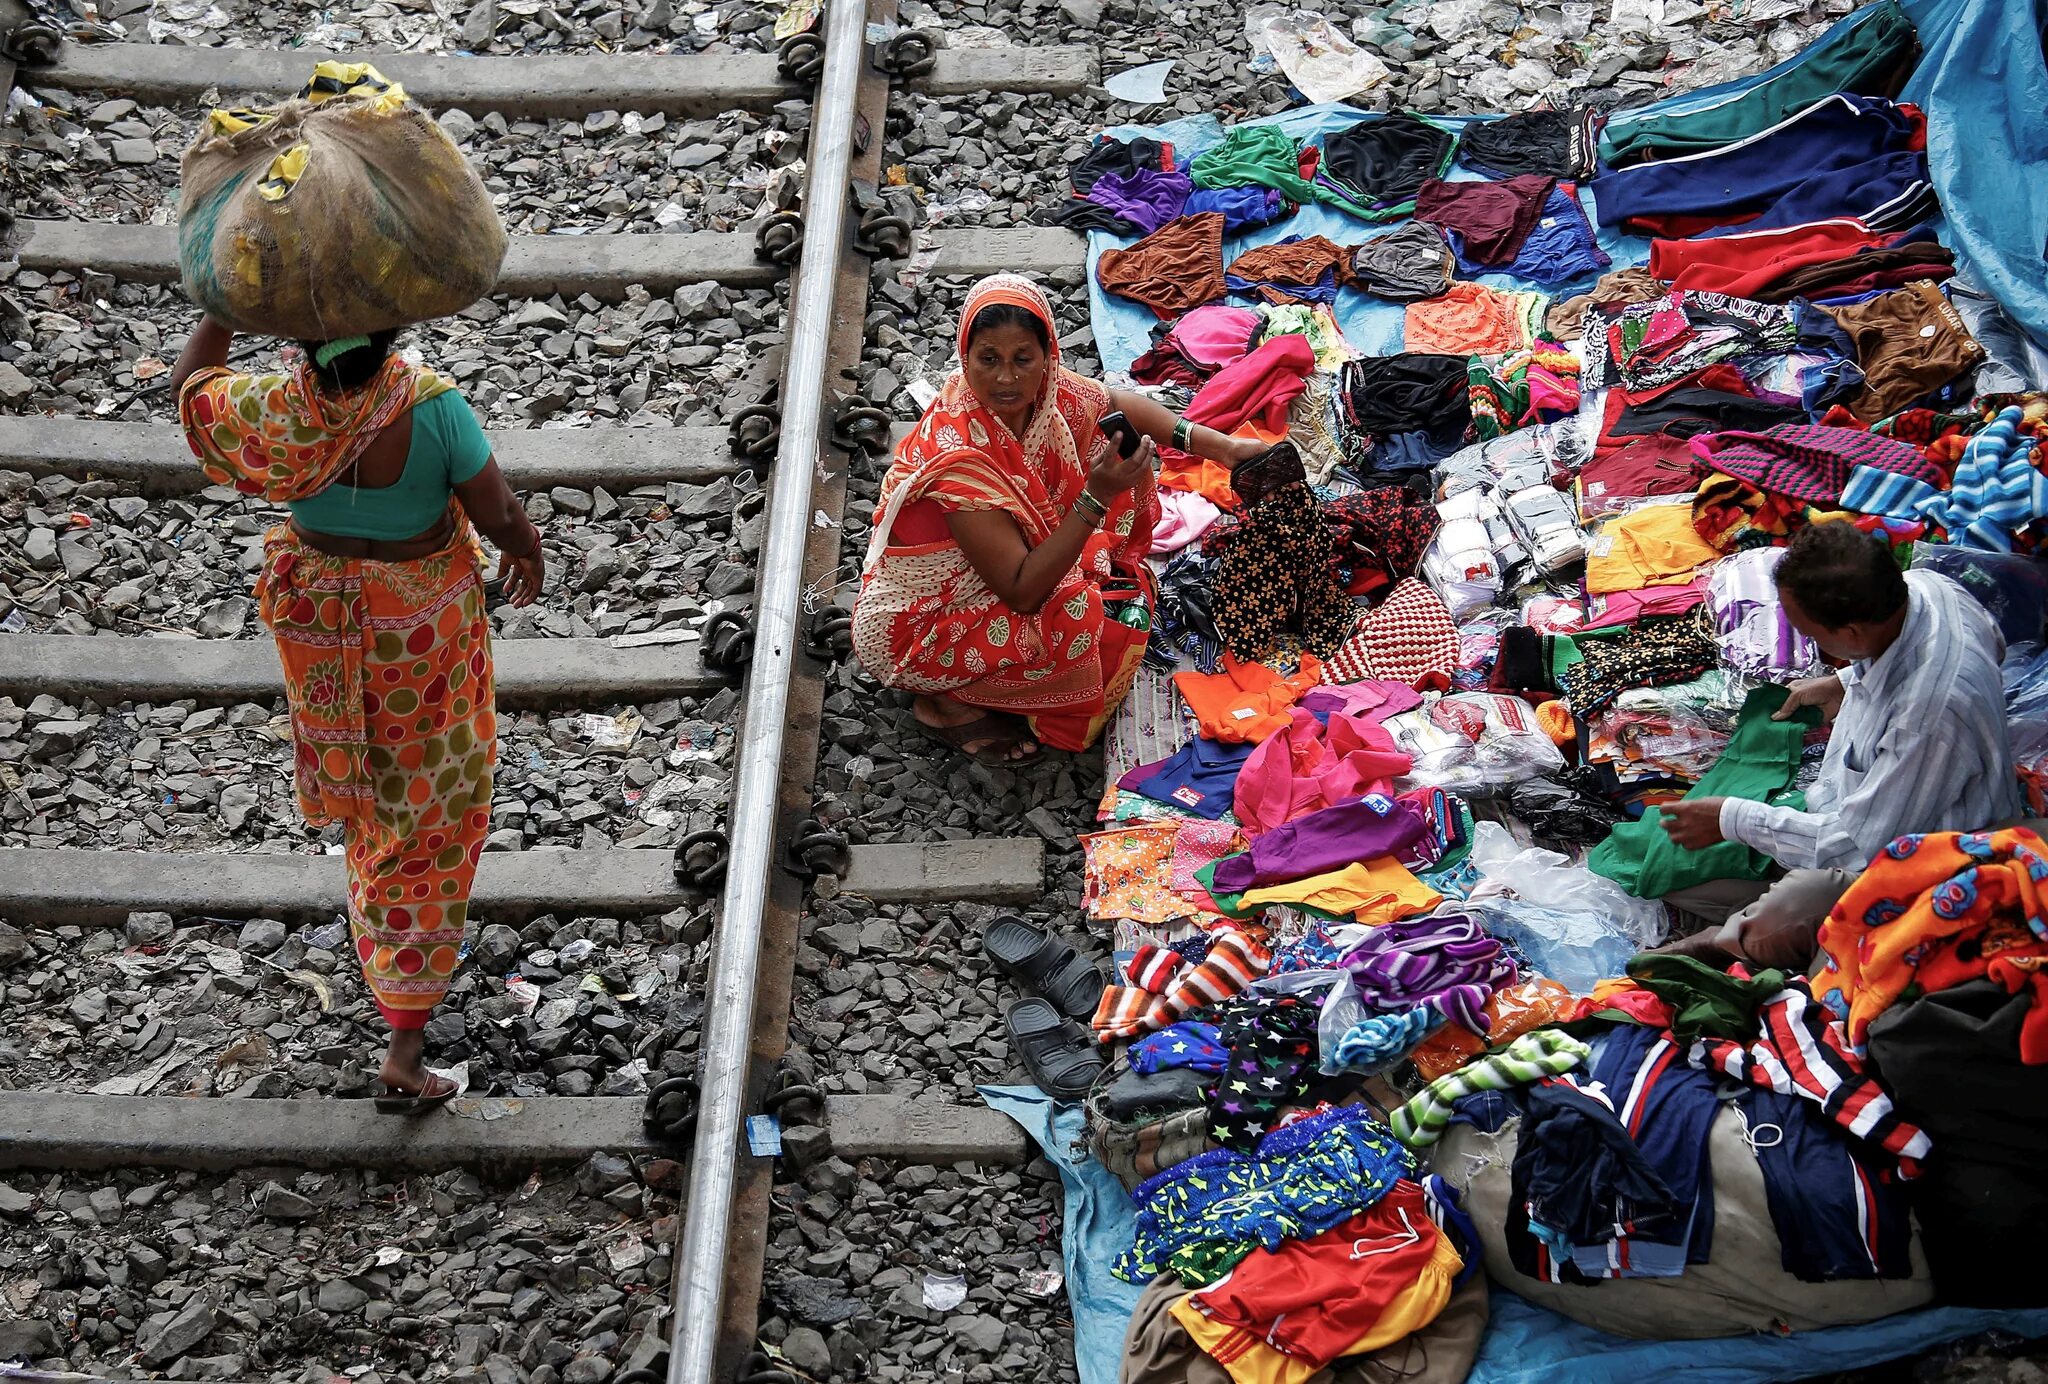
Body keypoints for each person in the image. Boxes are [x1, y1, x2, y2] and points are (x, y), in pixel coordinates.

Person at [170, 315, 545, 1112]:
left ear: (296, 342)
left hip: (322, 629)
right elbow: (498, 513)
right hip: (419, 640)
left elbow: (192, 395)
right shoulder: (432, 406)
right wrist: (528, 548)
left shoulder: (274, 406)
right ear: (394, 327)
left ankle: (372, 902)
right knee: (429, 814)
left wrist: (220, 313)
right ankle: (404, 1047)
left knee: (364, 785)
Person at [853, 274, 1267, 764]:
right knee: (1075, 617)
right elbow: (1023, 591)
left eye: (1022, 360)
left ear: (1047, 356)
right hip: (916, 631)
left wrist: (1220, 447)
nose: (1006, 378)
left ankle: (990, 680)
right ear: (965, 358)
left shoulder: (1048, 396)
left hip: (992, 576)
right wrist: (1095, 496)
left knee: (1102, 438)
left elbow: (1116, 404)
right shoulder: (960, 457)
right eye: (988, 360)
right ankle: (945, 703)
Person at [1656, 521, 2020, 969]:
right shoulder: (1929, 589)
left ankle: (1726, 944)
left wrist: (1733, 819)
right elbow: (1992, 644)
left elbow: (1860, 847)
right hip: (1864, 814)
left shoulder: (1927, 715)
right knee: (1673, 867)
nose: (1809, 641)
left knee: (1787, 906)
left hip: (1934, 863)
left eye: (1810, 633)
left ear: (1850, 635)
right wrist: (1845, 681)